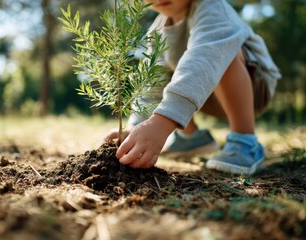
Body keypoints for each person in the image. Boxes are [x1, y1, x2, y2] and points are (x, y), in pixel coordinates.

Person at [105, 0, 281, 175]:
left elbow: (205, 60)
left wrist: (162, 123)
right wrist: (136, 126)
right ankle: (191, 138)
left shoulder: (213, 7)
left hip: (253, 88)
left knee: (214, 54)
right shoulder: (157, 30)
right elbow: (152, 84)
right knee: (168, 68)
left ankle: (245, 141)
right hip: (206, 96)